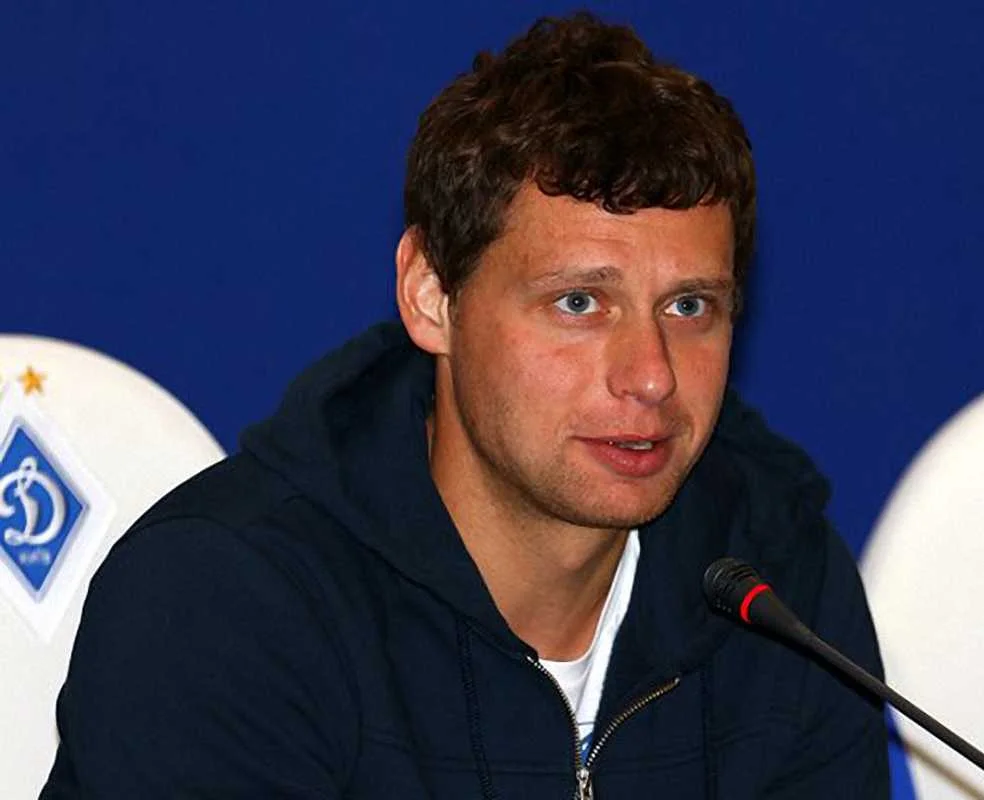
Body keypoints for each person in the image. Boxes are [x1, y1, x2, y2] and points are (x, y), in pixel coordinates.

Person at [43, 12, 888, 798]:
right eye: (579, 303)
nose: (651, 376)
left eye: (690, 306)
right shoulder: (223, 602)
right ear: (431, 297)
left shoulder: (780, 593)